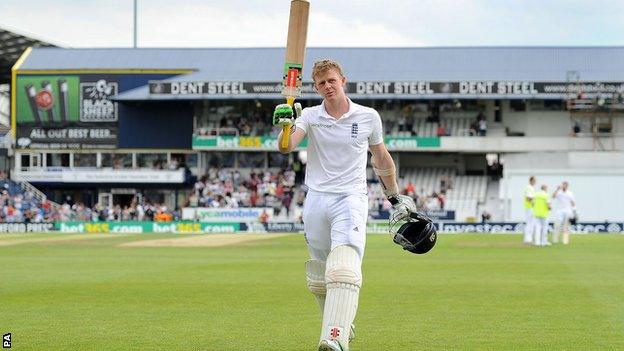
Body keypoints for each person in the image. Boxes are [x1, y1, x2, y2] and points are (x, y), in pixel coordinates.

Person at [273, 59, 412, 351]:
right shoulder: (309, 115)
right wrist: (285, 126)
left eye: (332, 81)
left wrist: (394, 195)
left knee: (344, 269)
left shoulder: (368, 116)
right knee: (321, 276)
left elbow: (381, 157)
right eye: (322, 83)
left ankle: (334, 339)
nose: (327, 87)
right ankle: (342, 324)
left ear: (343, 80)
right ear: (316, 87)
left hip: (351, 198)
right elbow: (286, 146)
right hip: (317, 199)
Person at [523, 176, 537, 245]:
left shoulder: (531, 188)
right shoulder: (529, 188)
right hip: (530, 208)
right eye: (534, 180)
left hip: (530, 208)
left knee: (531, 223)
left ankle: (529, 239)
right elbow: (528, 198)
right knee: (530, 223)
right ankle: (528, 239)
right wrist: (534, 202)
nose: (535, 182)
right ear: (531, 181)